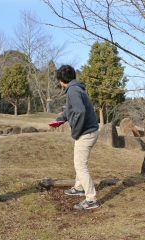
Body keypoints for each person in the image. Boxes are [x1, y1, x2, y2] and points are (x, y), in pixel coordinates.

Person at [50, 64, 100, 210]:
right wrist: (59, 120)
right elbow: (71, 110)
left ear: (60, 80)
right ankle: (79, 187)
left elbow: (80, 112)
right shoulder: (76, 88)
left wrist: (75, 132)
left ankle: (91, 200)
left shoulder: (72, 90)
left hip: (86, 133)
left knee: (80, 165)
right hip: (89, 131)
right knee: (79, 162)